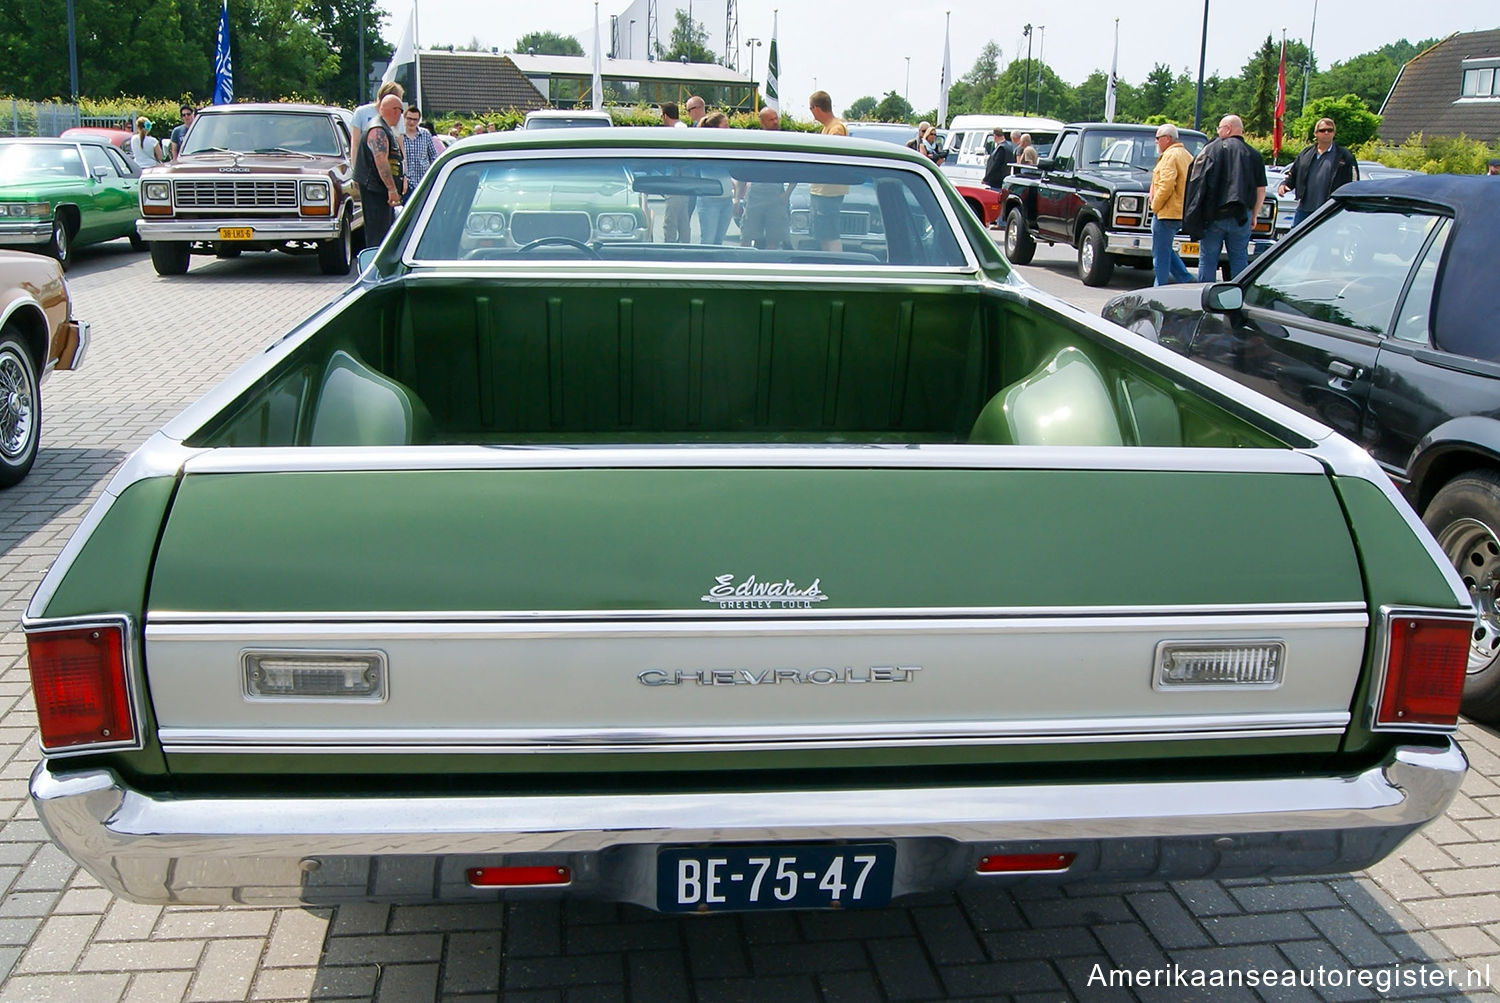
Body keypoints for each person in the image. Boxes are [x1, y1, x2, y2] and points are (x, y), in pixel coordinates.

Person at [1184, 114, 1266, 282]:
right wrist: (1255, 214)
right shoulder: (1254, 155)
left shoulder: (1210, 150)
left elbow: (1197, 183)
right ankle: (1239, 295)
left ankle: (1205, 297)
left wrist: (1194, 214)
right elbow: (1261, 190)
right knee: (1239, 259)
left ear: (1227, 129)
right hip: (1242, 216)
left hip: (1213, 216)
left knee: (1207, 259)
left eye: (1219, 128)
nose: (1218, 131)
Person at [1279, 117, 1358, 227]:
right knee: (1297, 241)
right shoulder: (1305, 154)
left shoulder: (1344, 156)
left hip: (1330, 210)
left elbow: (1354, 182)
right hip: (1305, 209)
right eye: (1322, 130)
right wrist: (1285, 185)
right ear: (1316, 134)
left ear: (1334, 133)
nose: (1326, 133)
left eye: (1330, 130)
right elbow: (1294, 173)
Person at [354, 94, 405, 247]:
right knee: (378, 237)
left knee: (385, 233)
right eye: (401, 112)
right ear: (395, 111)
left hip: (381, 191)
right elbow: (381, 160)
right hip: (375, 190)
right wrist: (391, 189)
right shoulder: (378, 130)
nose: (401, 116)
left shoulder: (385, 128)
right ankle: (376, 269)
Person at [737, 107, 791, 250]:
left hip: (776, 195)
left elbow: (795, 168)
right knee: (746, 236)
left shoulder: (785, 142)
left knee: (774, 239)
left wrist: (787, 193)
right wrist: (737, 198)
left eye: (776, 118)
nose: (775, 122)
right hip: (755, 194)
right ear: (762, 122)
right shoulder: (755, 142)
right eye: (771, 119)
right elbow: (743, 171)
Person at [1149, 123, 1195, 286]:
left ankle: (1159, 287)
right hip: (1181, 211)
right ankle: (1185, 278)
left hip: (1167, 212)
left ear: (1167, 139)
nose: (1156, 142)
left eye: (1158, 138)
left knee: (1160, 254)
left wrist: (1155, 205)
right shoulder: (1187, 155)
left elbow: (1167, 184)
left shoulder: (1170, 156)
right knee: (1166, 249)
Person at [807, 90, 849, 251]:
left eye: (811, 108)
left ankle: (836, 264)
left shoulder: (836, 129)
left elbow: (831, 159)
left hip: (829, 192)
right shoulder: (828, 128)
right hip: (823, 191)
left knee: (830, 235)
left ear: (816, 108)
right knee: (823, 235)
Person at [696, 112, 734, 244]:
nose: (729, 129)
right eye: (726, 126)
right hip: (709, 201)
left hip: (727, 200)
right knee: (708, 239)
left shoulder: (729, 148)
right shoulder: (706, 149)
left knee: (719, 241)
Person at [400, 106, 439, 193]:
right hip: (406, 183)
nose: (412, 122)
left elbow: (433, 156)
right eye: (409, 119)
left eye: (415, 120)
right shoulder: (399, 135)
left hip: (423, 181)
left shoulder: (425, 134)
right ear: (404, 118)